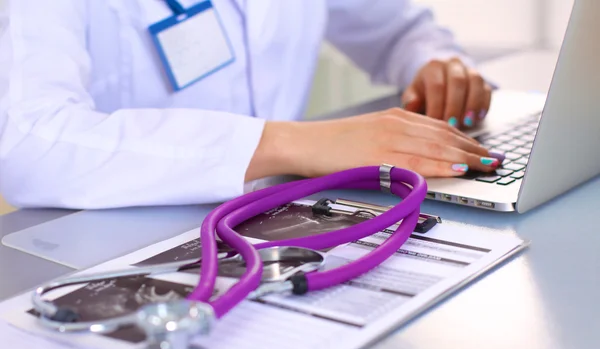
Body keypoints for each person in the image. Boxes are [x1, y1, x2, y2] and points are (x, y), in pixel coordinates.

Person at [0, 0, 502, 210]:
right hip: (120, 230)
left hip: (288, 214)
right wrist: (290, 143)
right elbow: (25, 140)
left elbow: (398, 30)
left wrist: (437, 64)